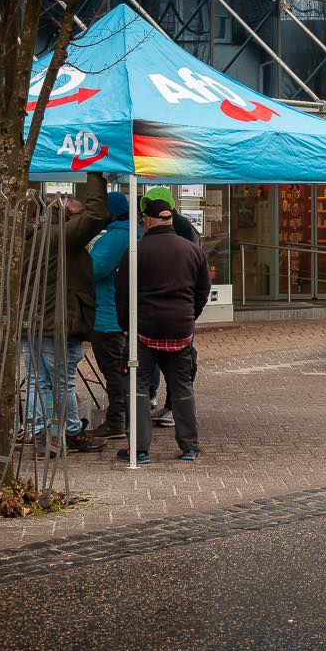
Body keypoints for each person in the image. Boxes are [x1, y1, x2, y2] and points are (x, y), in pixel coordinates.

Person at [21, 173, 112, 455]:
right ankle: (69, 431)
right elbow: (97, 214)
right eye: (76, 213)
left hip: (30, 323)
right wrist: (97, 173)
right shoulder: (60, 237)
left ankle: (41, 432)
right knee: (61, 381)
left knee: (39, 380)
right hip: (56, 321)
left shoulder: (28, 236)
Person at [116, 198, 210, 465]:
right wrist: (190, 316)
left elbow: (123, 294)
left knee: (138, 388)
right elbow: (202, 292)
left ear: (147, 220)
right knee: (182, 387)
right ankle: (189, 447)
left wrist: (126, 326)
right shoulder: (193, 251)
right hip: (180, 330)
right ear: (170, 219)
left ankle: (139, 449)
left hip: (145, 330)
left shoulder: (136, 251)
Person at [138, 187, 201, 428]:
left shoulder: (178, 230)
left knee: (179, 370)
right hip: (180, 313)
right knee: (179, 369)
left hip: (169, 312)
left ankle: (172, 409)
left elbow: (198, 281)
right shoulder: (183, 228)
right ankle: (177, 418)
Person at [86, 190, 137, 442]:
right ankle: (126, 416)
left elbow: (94, 269)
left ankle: (117, 420)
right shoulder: (135, 232)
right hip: (125, 314)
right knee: (124, 368)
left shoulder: (116, 237)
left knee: (114, 370)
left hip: (108, 315)